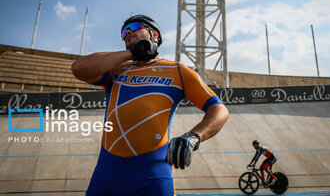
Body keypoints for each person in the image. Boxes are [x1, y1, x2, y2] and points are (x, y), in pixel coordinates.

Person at [71, 14, 229, 196]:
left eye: (135, 26)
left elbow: (219, 109)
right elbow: (78, 68)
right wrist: (131, 53)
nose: (128, 32)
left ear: (154, 34)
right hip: (107, 173)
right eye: (124, 32)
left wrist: (194, 137)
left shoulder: (178, 71)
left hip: (153, 176)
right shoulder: (117, 69)